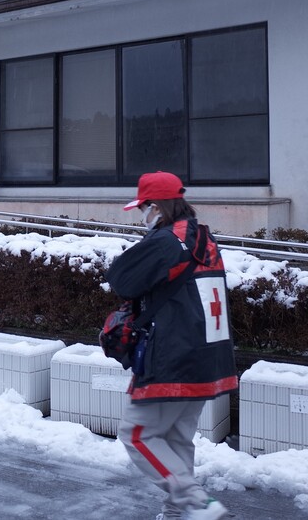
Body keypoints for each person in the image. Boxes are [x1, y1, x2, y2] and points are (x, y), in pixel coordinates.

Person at [104, 171, 237, 520]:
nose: (141, 215)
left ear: (156, 207)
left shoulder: (167, 242)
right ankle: (177, 514)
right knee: (176, 438)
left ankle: (197, 503)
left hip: (173, 355)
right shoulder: (202, 238)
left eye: (143, 208)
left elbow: (121, 278)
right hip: (208, 354)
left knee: (136, 434)